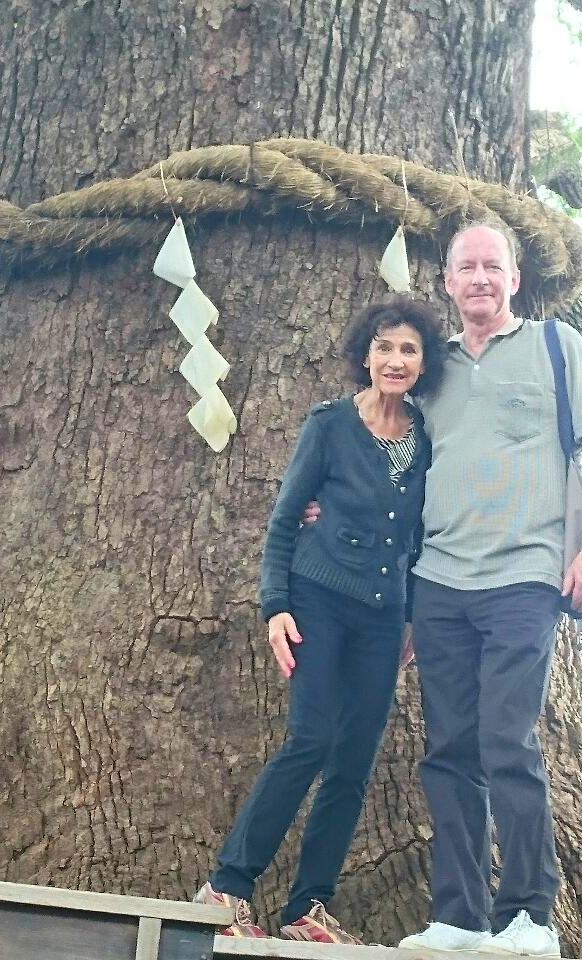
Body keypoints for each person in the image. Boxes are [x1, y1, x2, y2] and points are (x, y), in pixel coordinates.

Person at [394, 221, 582, 957]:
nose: (482, 279)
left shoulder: (559, 348)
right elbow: (402, 470)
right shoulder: (433, 367)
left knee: (506, 739)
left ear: (514, 278)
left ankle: (530, 916)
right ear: (449, 283)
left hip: (525, 577)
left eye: (494, 266)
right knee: (449, 748)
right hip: (437, 583)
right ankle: (458, 917)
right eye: (468, 268)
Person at [194, 298, 444, 942]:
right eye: (385, 346)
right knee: (310, 738)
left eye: (409, 350)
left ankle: (307, 909)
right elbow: (284, 519)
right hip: (318, 603)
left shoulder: (427, 436)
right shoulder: (330, 424)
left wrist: (412, 617)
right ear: (365, 354)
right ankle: (225, 889)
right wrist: (275, 605)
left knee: (354, 761)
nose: (395, 360)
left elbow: (417, 535)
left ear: (423, 363)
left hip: (385, 619)